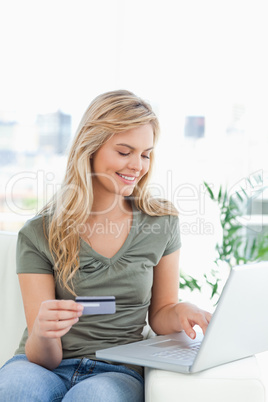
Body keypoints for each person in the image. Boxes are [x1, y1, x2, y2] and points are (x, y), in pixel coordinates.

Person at [0, 90, 211, 401]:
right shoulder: (39, 233)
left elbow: (160, 313)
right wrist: (43, 332)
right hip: (42, 366)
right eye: (124, 151)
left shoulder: (161, 222)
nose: (137, 165)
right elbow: (45, 357)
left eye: (145, 153)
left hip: (116, 371)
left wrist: (181, 312)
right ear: (91, 148)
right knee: (14, 391)